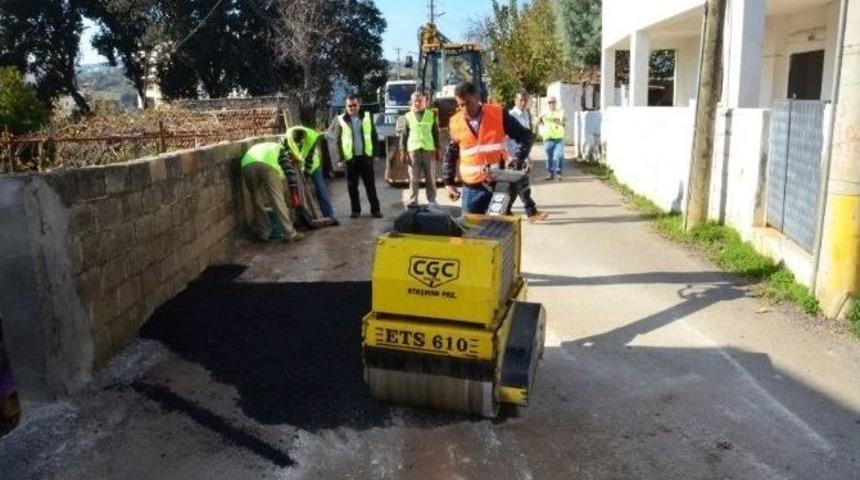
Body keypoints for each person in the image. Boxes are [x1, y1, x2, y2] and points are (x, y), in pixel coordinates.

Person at [442, 82, 548, 222]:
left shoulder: (497, 114)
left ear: (477, 97)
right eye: (460, 105)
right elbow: (451, 154)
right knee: (471, 229)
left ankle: (529, 212)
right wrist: (448, 183)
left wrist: (519, 157)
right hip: (471, 188)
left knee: (499, 228)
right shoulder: (455, 122)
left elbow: (525, 136)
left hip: (499, 184)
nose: (464, 109)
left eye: (467, 103)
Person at [328, 94, 382, 218]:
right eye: (349, 106)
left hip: (366, 158)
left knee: (370, 186)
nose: (352, 108)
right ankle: (355, 211)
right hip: (350, 159)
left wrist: (376, 154)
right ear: (346, 106)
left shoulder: (367, 117)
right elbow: (337, 141)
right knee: (352, 187)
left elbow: (374, 136)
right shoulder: (340, 119)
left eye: (354, 105)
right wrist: (340, 159)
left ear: (359, 105)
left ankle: (375, 210)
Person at [240, 141, 304, 242]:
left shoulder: (267, 146)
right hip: (267, 164)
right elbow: (290, 172)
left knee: (257, 200)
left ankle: (264, 233)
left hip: (246, 165)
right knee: (277, 200)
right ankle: (290, 234)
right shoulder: (282, 150)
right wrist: (294, 192)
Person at [507, 91, 549, 222]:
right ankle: (531, 212)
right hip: (515, 155)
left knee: (514, 185)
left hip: (522, 154)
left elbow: (525, 139)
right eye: (521, 100)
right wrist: (514, 156)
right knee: (522, 184)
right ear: (515, 100)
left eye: (526, 100)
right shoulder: (511, 115)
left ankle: (506, 210)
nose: (524, 103)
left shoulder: (525, 115)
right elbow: (509, 140)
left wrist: (527, 156)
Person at [286, 125, 338, 225]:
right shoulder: (288, 136)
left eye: (299, 141)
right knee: (298, 191)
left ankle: (328, 215)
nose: (297, 144)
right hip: (298, 165)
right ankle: (303, 216)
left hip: (313, 165)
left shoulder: (312, 137)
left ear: (303, 137)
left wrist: (306, 174)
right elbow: (285, 150)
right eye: (295, 142)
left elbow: (309, 159)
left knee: (320, 188)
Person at [399, 92, 439, 207]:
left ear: (425, 102)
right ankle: (413, 201)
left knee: (430, 176)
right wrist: (403, 151)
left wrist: (438, 149)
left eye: (420, 101)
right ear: (412, 102)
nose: (417, 103)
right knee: (413, 178)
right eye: (415, 101)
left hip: (428, 150)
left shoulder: (431, 115)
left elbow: (436, 133)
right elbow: (404, 136)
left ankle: (432, 200)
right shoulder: (407, 116)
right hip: (413, 151)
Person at [538, 96, 566, 180]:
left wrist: (560, 122)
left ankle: (559, 172)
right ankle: (550, 174)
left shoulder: (561, 112)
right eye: (549, 102)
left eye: (553, 102)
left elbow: (564, 123)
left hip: (558, 138)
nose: (551, 104)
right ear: (548, 104)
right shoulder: (544, 113)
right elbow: (539, 122)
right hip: (548, 138)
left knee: (560, 155)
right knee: (549, 157)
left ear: (556, 103)